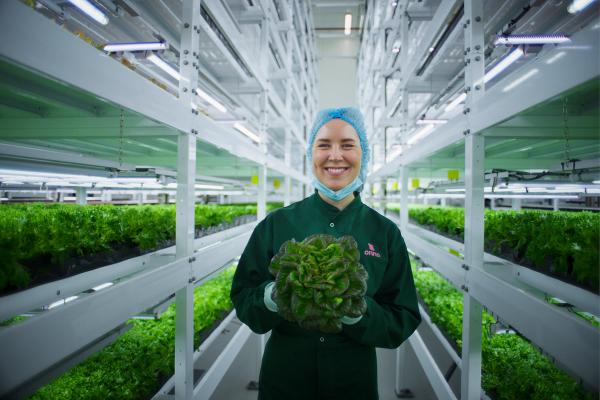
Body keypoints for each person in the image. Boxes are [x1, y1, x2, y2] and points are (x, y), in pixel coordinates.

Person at [230, 107, 421, 400]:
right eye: (324, 145)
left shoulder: (385, 233)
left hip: (353, 383)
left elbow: (403, 317)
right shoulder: (276, 224)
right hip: (285, 380)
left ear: (363, 154)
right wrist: (272, 296)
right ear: (311, 154)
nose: (335, 156)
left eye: (347, 145)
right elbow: (243, 298)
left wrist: (358, 313)